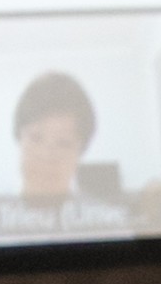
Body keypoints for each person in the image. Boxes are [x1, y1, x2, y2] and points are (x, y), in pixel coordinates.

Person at [11, 68, 100, 207]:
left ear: (81, 150)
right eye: (36, 138)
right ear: (19, 137)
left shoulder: (108, 222)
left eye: (63, 143)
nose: (46, 155)